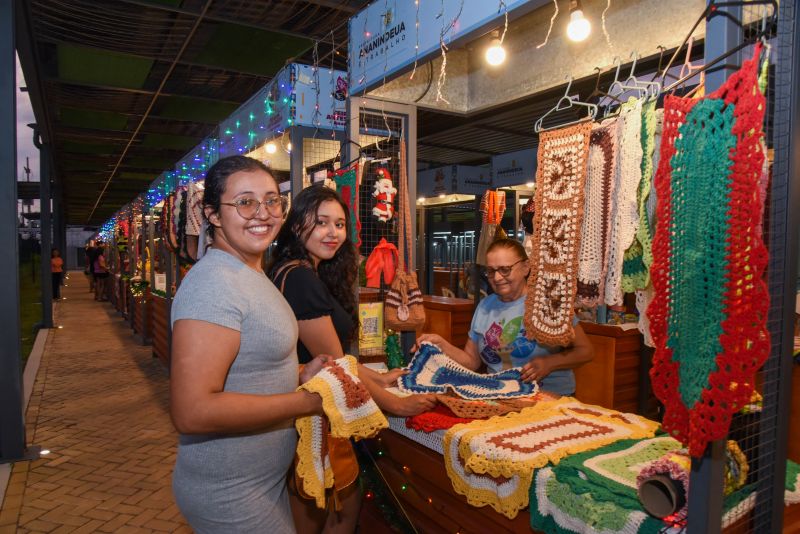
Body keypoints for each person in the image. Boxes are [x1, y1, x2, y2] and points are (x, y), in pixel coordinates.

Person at [169, 155, 327, 533]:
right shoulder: (214, 284)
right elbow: (193, 410)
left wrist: (302, 372)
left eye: (273, 200)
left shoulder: (250, 272)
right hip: (228, 493)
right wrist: (306, 402)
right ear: (213, 214)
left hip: (258, 484)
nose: (263, 213)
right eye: (244, 202)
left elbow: (248, 370)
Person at [269, 185, 436, 534]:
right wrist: (397, 405)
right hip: (309, 417)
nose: (333, 233)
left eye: (340, 224)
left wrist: (378, 380)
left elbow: (336, 356)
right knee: (331, 513)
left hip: (306, 409)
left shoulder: (299, 270)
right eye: (322, 223)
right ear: (297, 224)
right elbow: (334, 362)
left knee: (334, 510)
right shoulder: (299, 277)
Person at [416, 238, 593, 396]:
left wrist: (550, 363)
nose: (497, 278)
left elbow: (585, 351)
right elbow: (471, 361)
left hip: (549, 399)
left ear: (525, 267)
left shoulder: (547, 303)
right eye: (491, 271)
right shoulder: (485, 306)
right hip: (502, 396)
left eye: (505, 270)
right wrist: (441, 344)